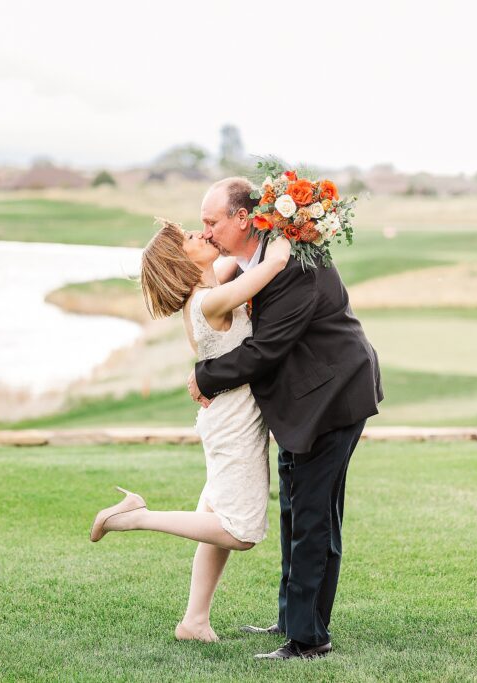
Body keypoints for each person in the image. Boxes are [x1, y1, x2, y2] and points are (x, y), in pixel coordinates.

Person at [187, 177, 383, 660]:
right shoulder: (256, 260)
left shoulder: (292, 264)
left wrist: (205, 378)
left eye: (211, 222)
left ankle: (309, 639)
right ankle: (292, 619)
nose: (206, 231)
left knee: (314, 518)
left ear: (242, 218)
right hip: (302, 402)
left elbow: (266, 349)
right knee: (298, 511)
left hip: (333, 395)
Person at [89, 216, 291, 643]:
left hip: (225, 416)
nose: (202, 234)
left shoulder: (209, 283)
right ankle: (136, 518)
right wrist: (286, 233)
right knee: (239, 532)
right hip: (233, 422)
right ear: (182, 260)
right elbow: (270, 265)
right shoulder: (205, 302)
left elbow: (234, 264)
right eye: (190, 238)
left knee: (213, 517)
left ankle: (194, 621)